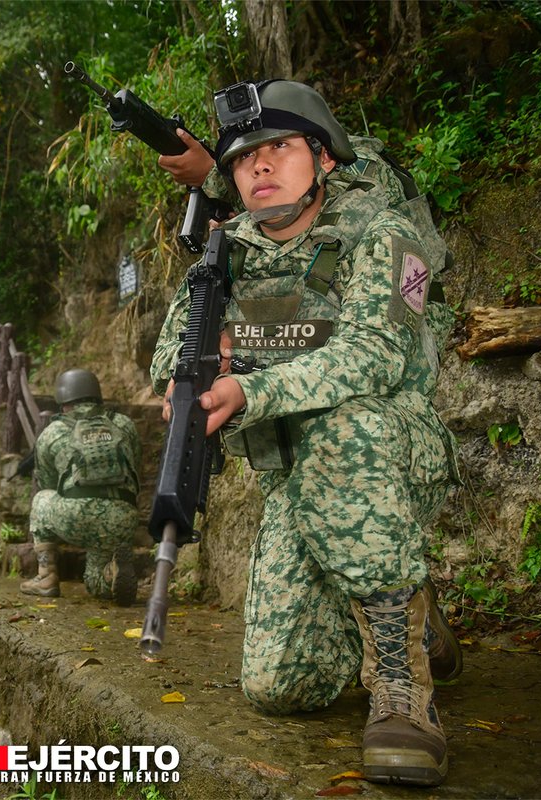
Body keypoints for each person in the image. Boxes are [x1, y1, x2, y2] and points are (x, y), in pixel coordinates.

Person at [150, 80, 461, 787]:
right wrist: (191, 374)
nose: (259, 166)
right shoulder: (224, 257)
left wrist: (250, 387)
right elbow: (169, 353)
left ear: (322, 158)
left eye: (279, 148)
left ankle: (401, 690)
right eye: (241, 159)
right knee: (280, 688)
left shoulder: (383, 236)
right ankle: (411, 609)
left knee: (344, 425)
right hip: (296, 484)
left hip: (385, 449)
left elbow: (371, 358)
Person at [21, 368, 141, 606]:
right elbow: (134, 467)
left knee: (41, 499)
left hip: (75, 516)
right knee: (93, 578)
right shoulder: (124, 424)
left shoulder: (52, 432)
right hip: (123, 517)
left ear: (62, 401)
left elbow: (47, 483)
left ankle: (46, 576)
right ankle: (111, 572)